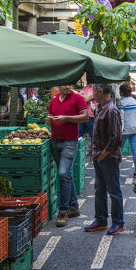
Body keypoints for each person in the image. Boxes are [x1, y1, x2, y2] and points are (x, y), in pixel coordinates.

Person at [46, 85, 88, 227]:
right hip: (55, 141)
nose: (68, 87)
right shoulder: (54, 100)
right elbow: (50, 117)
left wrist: (66, 118)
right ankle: (74, 207)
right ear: (59, 86)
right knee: (67, 175)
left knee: (63, 174)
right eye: (65, 84)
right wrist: (49, 121)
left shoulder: (78, 98)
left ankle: (63, 211)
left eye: (70, 84)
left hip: (70, 142)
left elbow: (85, 117)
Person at [85, 84, 124, 234]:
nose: (92, 94)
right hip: (98, 155)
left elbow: (116, 136)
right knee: (99, 189)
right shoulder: (101, 107)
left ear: (100, 92)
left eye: (94, 91)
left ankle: (118, 223)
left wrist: (104, 153)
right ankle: (100, 220)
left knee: (113, 190)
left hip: (107, 157)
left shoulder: (111, 110)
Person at [118, 83, 136, 178]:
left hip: (125, 130)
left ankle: (116, 170)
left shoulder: (121, 102)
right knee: (134, 149)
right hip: (135, 128)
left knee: (119, 150)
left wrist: (120, 130)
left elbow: (121, 117)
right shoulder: (135, 101)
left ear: (121, 92)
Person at [79, 83, 96, 151]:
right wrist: (85, 96)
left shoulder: (96, 88)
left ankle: (94, 153)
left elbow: (87, 100)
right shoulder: (86, 87)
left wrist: (83, 96)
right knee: (79, 133)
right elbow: (79, 98)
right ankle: (80, 153)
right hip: (83, 114)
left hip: (91, 115)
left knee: (93, 134)